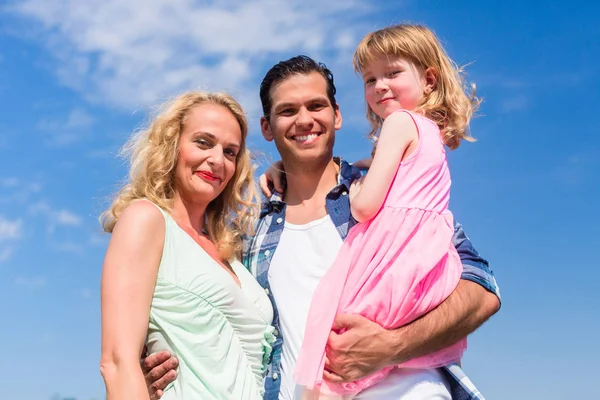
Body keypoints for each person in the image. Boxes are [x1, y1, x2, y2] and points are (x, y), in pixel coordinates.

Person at [143, 53, 501, 399]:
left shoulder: (389, 188)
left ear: (337, 115)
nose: (304, 120)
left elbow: (482, 290)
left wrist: (393, 346)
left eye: (316, 106)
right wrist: (154, 369)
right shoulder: (249, 230)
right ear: (267, 127)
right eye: (287, 111)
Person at [293, 23, 482, 399]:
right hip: (424, 262)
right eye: (369, 79)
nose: (379, 86)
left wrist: (358, 185)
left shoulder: (398, 123)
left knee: (330, 338)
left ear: (429, 79)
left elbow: (363, 208)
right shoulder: (431, 133)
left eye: (392, 73)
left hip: (388, 257)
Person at [99, 91, 275, 399]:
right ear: (173, 144)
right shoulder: (146, 220)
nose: (217, 160)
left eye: (230, 152)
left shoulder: (231, 253)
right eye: (203, 142)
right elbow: (117, 361)